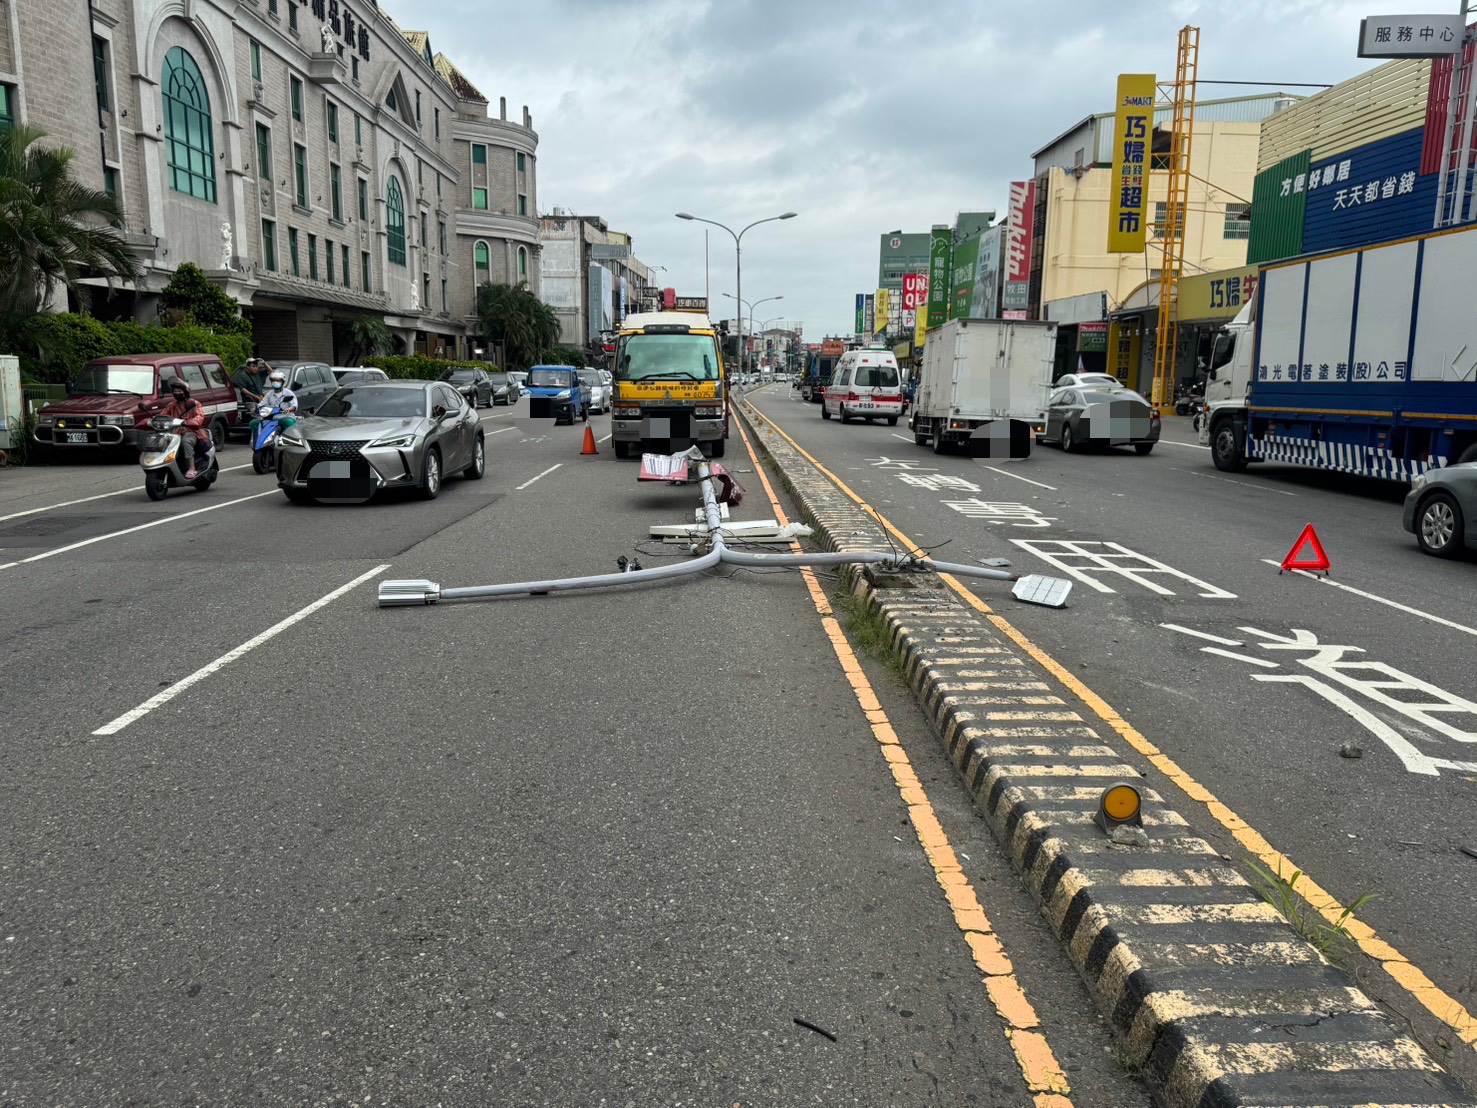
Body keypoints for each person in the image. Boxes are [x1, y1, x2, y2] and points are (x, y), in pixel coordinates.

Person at [159, 378, 212, 480]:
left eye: (179, 391)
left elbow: (199, 417)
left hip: (192, 432)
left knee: (185, 441)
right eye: (175, 391)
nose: (177, 393)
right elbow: (162, 415)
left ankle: (192, 468)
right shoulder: (171, 405)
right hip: (175, 433)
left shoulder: (194, 403)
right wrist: (153, 421)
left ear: (185, 392)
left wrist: (189, 422)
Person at [251, 369, 299, 441]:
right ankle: (256, 441)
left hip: (285, 417)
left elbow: (294, 407)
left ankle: (290, 441)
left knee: (288, 422)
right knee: (254, 423)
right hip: (271, 419)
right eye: (273, 380)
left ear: (282, 382)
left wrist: (285, 411)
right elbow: (262, 404)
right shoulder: (269, 394)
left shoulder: (289, 393)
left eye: (278, 380)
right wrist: (255, 409)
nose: (275, 382)